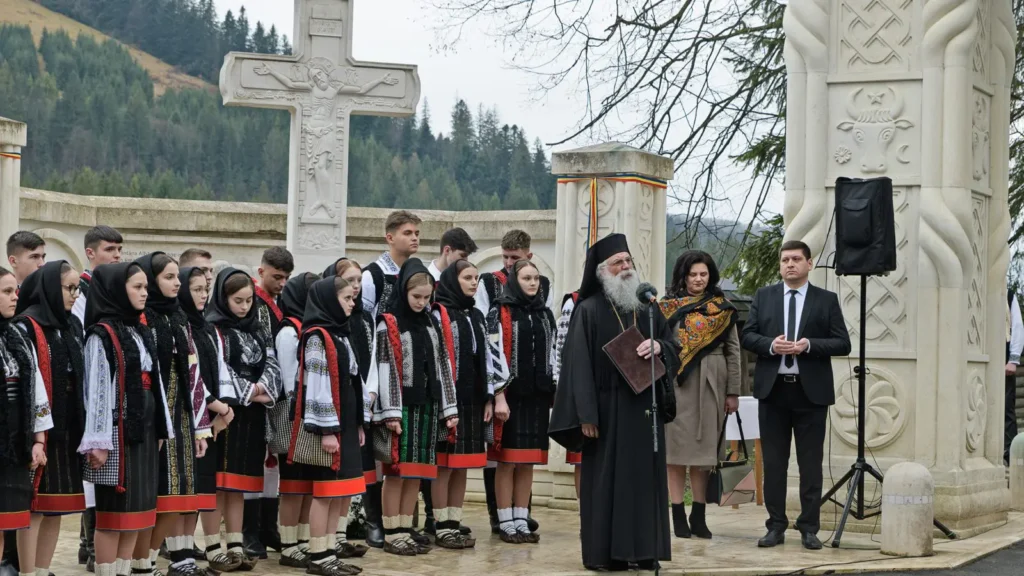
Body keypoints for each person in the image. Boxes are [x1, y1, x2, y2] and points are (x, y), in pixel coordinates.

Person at [549, 233, 678, 571]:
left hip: (643, 407)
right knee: (609, 482)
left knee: (645, 481)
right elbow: (576, 367)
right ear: (602, 272)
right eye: (617, 263)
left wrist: (660, 347)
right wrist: (585, 414)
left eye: (628, 261)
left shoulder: (648, 307)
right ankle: (607, 554)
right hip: (606, 412)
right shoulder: (588, 310)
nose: (625, 267)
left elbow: (673, 343)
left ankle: (645, 550)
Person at [740, 240, 851, 551]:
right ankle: (775, 525)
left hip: (810, 394)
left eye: (796, 259)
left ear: (809, 264)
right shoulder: (765, 296)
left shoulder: (825, 300)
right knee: (774, 464)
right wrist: (771, 345)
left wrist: (809, 346)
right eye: (785, 259)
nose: (790, 264)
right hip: (773, 392)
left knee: (810, 464)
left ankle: (809, 527)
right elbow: (748, 335)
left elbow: (843, 344)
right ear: (780, 265)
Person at [78, 262, 173, 576]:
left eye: (146, 287)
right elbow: (98, 390)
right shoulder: (101, 335)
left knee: (138, 512)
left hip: (143, 430)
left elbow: (156, 381)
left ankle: (123, 571)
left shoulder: (140, 330)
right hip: (116, 433)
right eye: (137, 287)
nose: (145, 293)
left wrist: (161, 426)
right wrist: (98, 440)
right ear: (117, 290)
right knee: (113, 515)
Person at [366, 259, 458, 556]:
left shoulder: (431, 322)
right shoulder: (388, 322)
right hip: (402, 408)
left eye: (426, 297)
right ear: (404, 292)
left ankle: (405, 528)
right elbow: (385, 367)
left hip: (428, 407)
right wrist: (391, 412)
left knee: (417, 472)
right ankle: (392, 532)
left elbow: (444, 363)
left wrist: (449, 407)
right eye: (416, 297)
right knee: (396, 472)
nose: (421, 302)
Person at [659, 250, 741, 540]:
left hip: (712, 386)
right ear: (682, 275)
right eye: (692, 274)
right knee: (676, 455)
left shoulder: (723, 307)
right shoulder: (666, 307)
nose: (698, 279)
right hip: (677, 386)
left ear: (711, 276)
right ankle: (678, 514)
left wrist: (733, 391)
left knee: (704, 455)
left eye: (703, 274)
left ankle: (700, 515)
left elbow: (733, 351)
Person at [134, 253, 206, 576]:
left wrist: (201, 426)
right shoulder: (143, 318)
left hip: (182, 417)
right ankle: (141, 562)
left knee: (179, 495)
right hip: (156, 420)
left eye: (178, 277)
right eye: (168, 277)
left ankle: (159, 558)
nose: (177, 283)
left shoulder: (178, 317)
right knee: (156, 494)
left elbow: (193, 372)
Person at [206, 268, 283, 570]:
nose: (244, 307)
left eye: (249, 300)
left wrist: (263, 388)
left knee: (238, 485)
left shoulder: (258, 328)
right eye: (238, 301)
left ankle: (236, 544)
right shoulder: (214, 329)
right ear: (224, 299)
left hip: (253, 416)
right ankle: (214, 546)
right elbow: (219, 368)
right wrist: (249, 391)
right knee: (218, 483)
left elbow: (272, 362)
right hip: (227, 414)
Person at [13, 261, 86, 576]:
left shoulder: (71, 325)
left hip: (68, 425)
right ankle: (27, 571)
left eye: (77, 288)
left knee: (56, 506)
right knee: (35, 507)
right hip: (40, 428)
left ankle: (43, 570)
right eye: (69, 288)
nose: (74, 295)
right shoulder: (26, 325)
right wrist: (35, 434)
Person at [475, 229, 550, 533]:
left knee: (528, 460)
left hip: (536, 394)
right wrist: (499, 394)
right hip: (510, 394)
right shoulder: (498, 308)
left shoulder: (544, 313)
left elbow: (553, 350)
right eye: (525, 278)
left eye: (535, 278)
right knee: (505, 460)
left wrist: (551, 386)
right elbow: (493, 352)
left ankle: (522, 515)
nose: (532, 283)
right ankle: (503, 518)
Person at [292, 277, 368, 575]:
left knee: (340, 490)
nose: (352, 303)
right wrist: (327, 430)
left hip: (346, 422)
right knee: (324, 491)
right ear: (328, 299)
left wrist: (359, 423)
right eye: (347, 298)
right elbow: (317, 387)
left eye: (353, 298)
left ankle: (331, 548)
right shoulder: (316, 337)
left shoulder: (340, 334)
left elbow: (353, 383)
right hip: (329, 425)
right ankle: (318, 554)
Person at [431, 260, 508, 548]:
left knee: (461, 465)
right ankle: (440, 525)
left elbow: (486, 358)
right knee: (444, 465)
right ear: (453, 280)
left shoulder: (476, 314)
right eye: (467, 277)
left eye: (476, 277)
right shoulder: (439, 314)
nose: (475, 282)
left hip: (474, 401)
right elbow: (439, 359)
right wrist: (445, 402)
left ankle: (454, 520)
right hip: (449, 401)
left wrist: (489, 396)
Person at [176, 267, 239, 574]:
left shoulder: (206, 327)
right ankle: (181, 555)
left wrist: (225, 405)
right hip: (189, 416)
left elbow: (218, 366)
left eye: (205, 289)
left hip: (210, 417)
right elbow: (191, 375)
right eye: (196, 289)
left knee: (201, 489)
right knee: (186, 491)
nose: (202, 295)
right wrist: (215, 403)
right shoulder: (181, 325)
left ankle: (193, 553)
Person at [71, 225, 123, 572]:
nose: (116, 256)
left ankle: (88, 542)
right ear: (90, 253)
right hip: (87, 391)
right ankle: (90, 543)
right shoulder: (80, 295)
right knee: (93, 467)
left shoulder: (117, 290)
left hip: (111, 393)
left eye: (120, 249)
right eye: (109, 249)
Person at [324, 259, 383, 552]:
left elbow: (370, 358)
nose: (356, 287)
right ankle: (331, 537)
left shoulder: (364, 317)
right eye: (349, 281)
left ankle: (358, 525)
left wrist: (370, 393)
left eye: (359, 281)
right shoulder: (331, 321)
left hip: (363, 402)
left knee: (362, 466)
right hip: (341, 407)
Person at [0, 267, 51, 575]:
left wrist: (38, 439)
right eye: (6, 291)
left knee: (6, 517)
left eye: (15, 290)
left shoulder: (17, 335)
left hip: (14, 442)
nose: (14, 296)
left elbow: (37, 390)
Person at [247, 247, 293, 559]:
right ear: (261, 271)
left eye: (286, 278)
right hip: (254, 394)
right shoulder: (251, 300)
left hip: (274, 393)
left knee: (271, 463)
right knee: (256, 463)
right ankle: (249, 533)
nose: (281, 283)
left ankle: (267, 527)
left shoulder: (277, 305)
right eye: (276, 276)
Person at [276, 273, 318, 569]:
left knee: (307, 483)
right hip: (293, 415)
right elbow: (289, 378)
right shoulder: (289, 331)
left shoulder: (312, 327)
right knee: (292, 485)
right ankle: (289, 543)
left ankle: (303, 539)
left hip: (309, 416)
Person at [361, 211, 421, 318]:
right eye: (407, 233)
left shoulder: (418, 274)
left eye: (416, 234)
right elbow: (361, 322)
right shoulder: (371, 276)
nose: (414, 238)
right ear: (390, 238)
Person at [552, 291, 582, 496]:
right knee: (583, 458)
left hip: (615, 389)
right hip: (581, 385)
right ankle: (585, 513)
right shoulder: (574, 301)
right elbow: (561, 348)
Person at [1005, 288, 1023, 466]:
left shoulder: (1008, 295)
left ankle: (1009, 456)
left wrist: (1013, 358)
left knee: (1006, 407)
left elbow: (1017, 325)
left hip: (1004, 356)